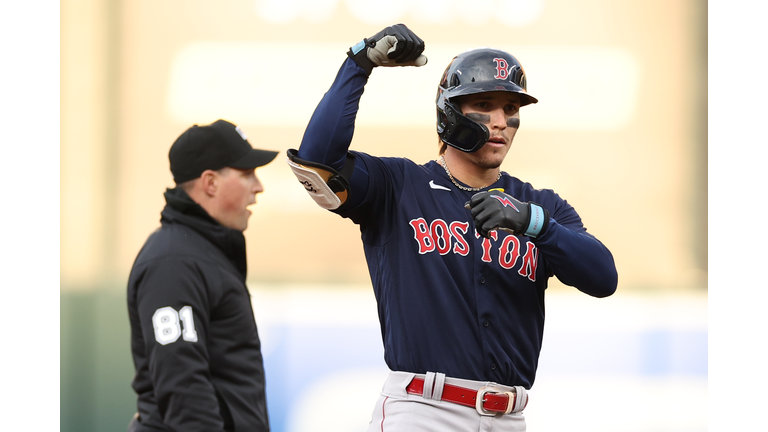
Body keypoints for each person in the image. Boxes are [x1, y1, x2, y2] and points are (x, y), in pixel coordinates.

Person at [286, 24, 618, 431]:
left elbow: (604, 277)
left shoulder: (541, 206)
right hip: (424, 410)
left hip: (509, 417)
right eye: (484, 104)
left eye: (511, 110)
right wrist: (358, 64)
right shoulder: (398, 187)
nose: (501, 121)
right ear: (450, 113)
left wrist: (535, 224)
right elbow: (318, 159)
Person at [126, 119, 277, 432]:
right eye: (247, 174)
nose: (258, 186)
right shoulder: (174, 261)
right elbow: (183, 387)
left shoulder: (200, 252)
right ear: (210, 183)